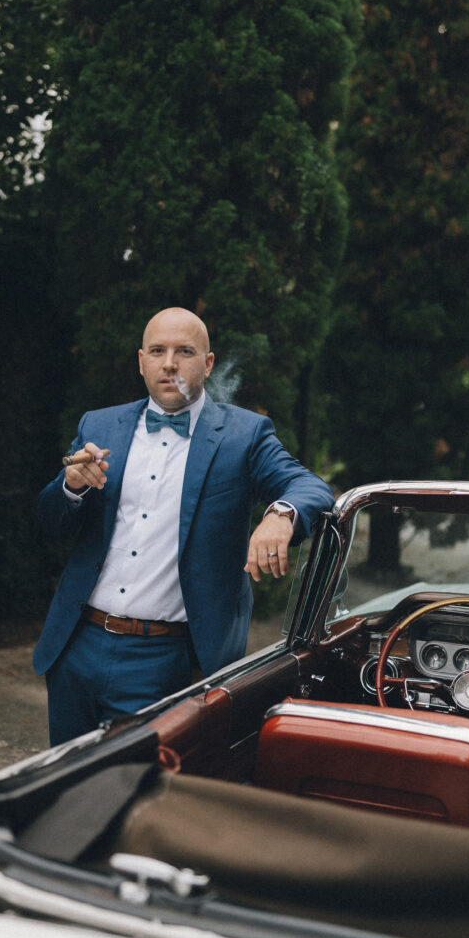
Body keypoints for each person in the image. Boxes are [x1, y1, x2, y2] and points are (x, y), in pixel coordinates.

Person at [34, 307, 334, 745]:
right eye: (157, 351)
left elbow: (308, 485)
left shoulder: (243, 436)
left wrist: (281, 513)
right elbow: (49, 520)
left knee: (141, 795)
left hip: (166, 660)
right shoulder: (98, 424)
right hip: (77, 646)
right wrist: (70, 486)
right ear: (141, 362)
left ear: (207, 363)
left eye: (184, 351)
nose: (169, 362)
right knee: (60, 787)